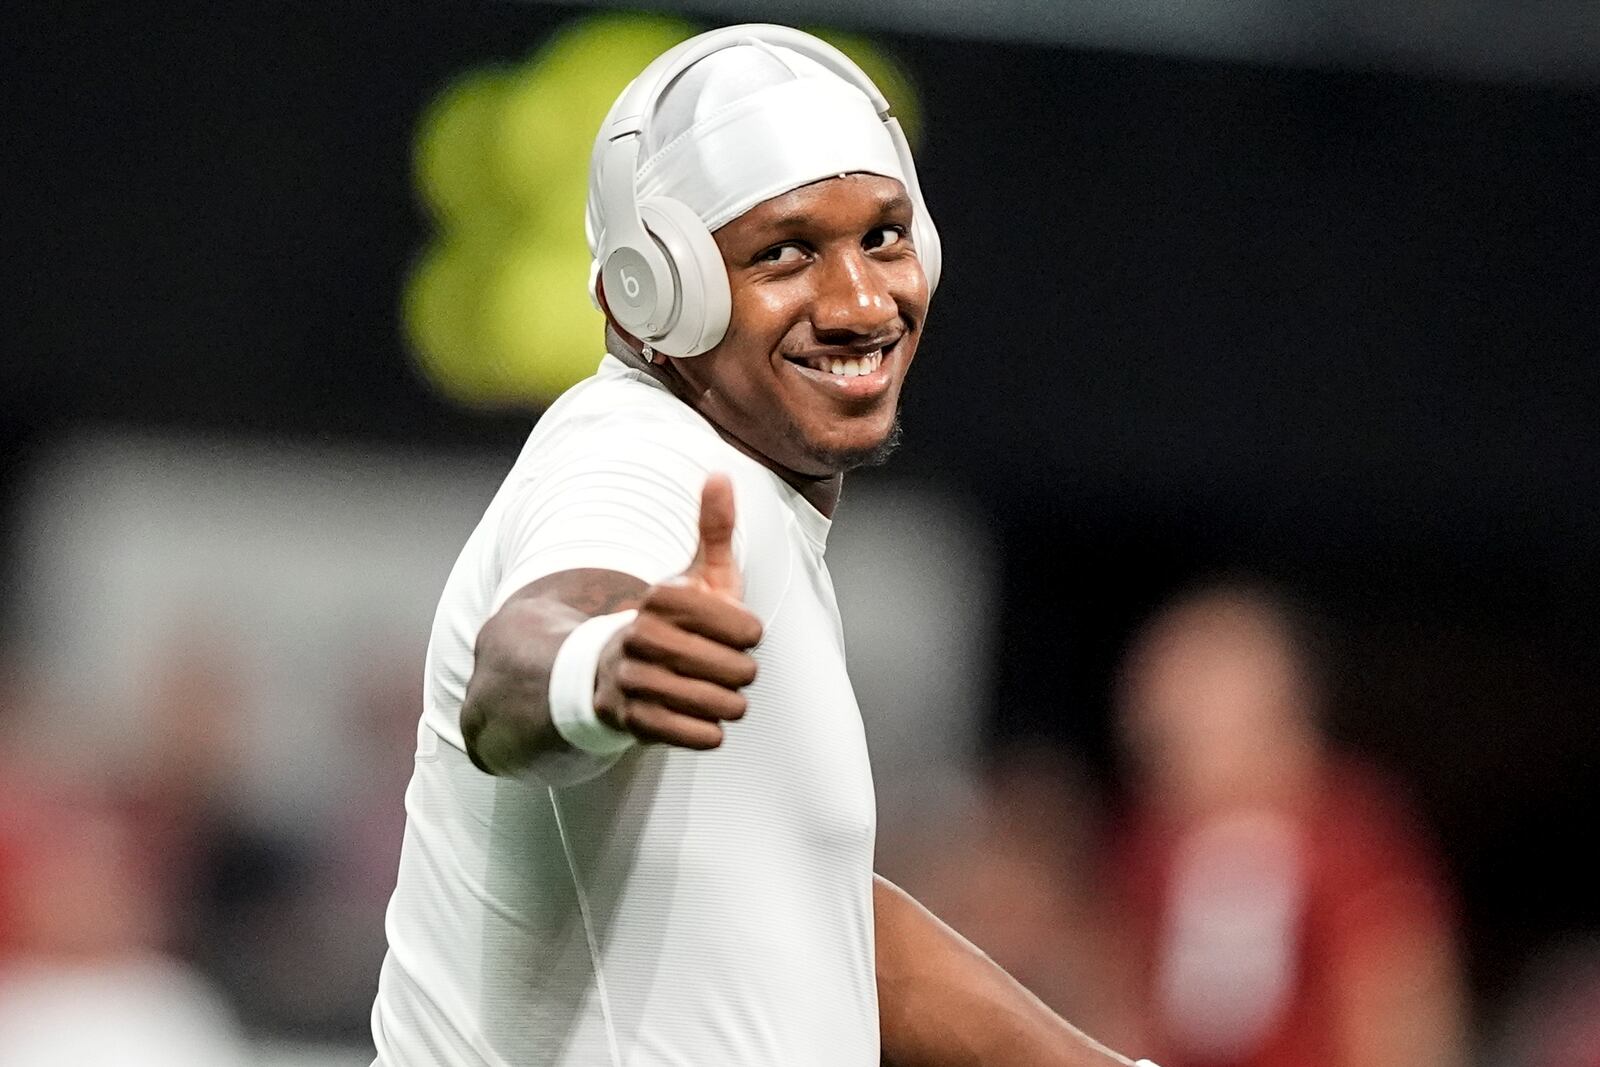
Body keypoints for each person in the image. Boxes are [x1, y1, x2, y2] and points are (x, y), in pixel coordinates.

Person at [370, 23, 1149, 1067]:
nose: (862, 301)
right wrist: (597, 671)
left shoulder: (753, 502)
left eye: (882, 237)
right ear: (653, 293)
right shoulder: (642, 450)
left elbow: (830, 928)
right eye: (784, 252)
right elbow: (519, 666)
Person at [1107, 579, 1465, 1067]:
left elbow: (1402, 1008)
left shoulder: (1348, 833)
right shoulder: (1152, 845)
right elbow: (1123, 1009)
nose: (1159, 718)